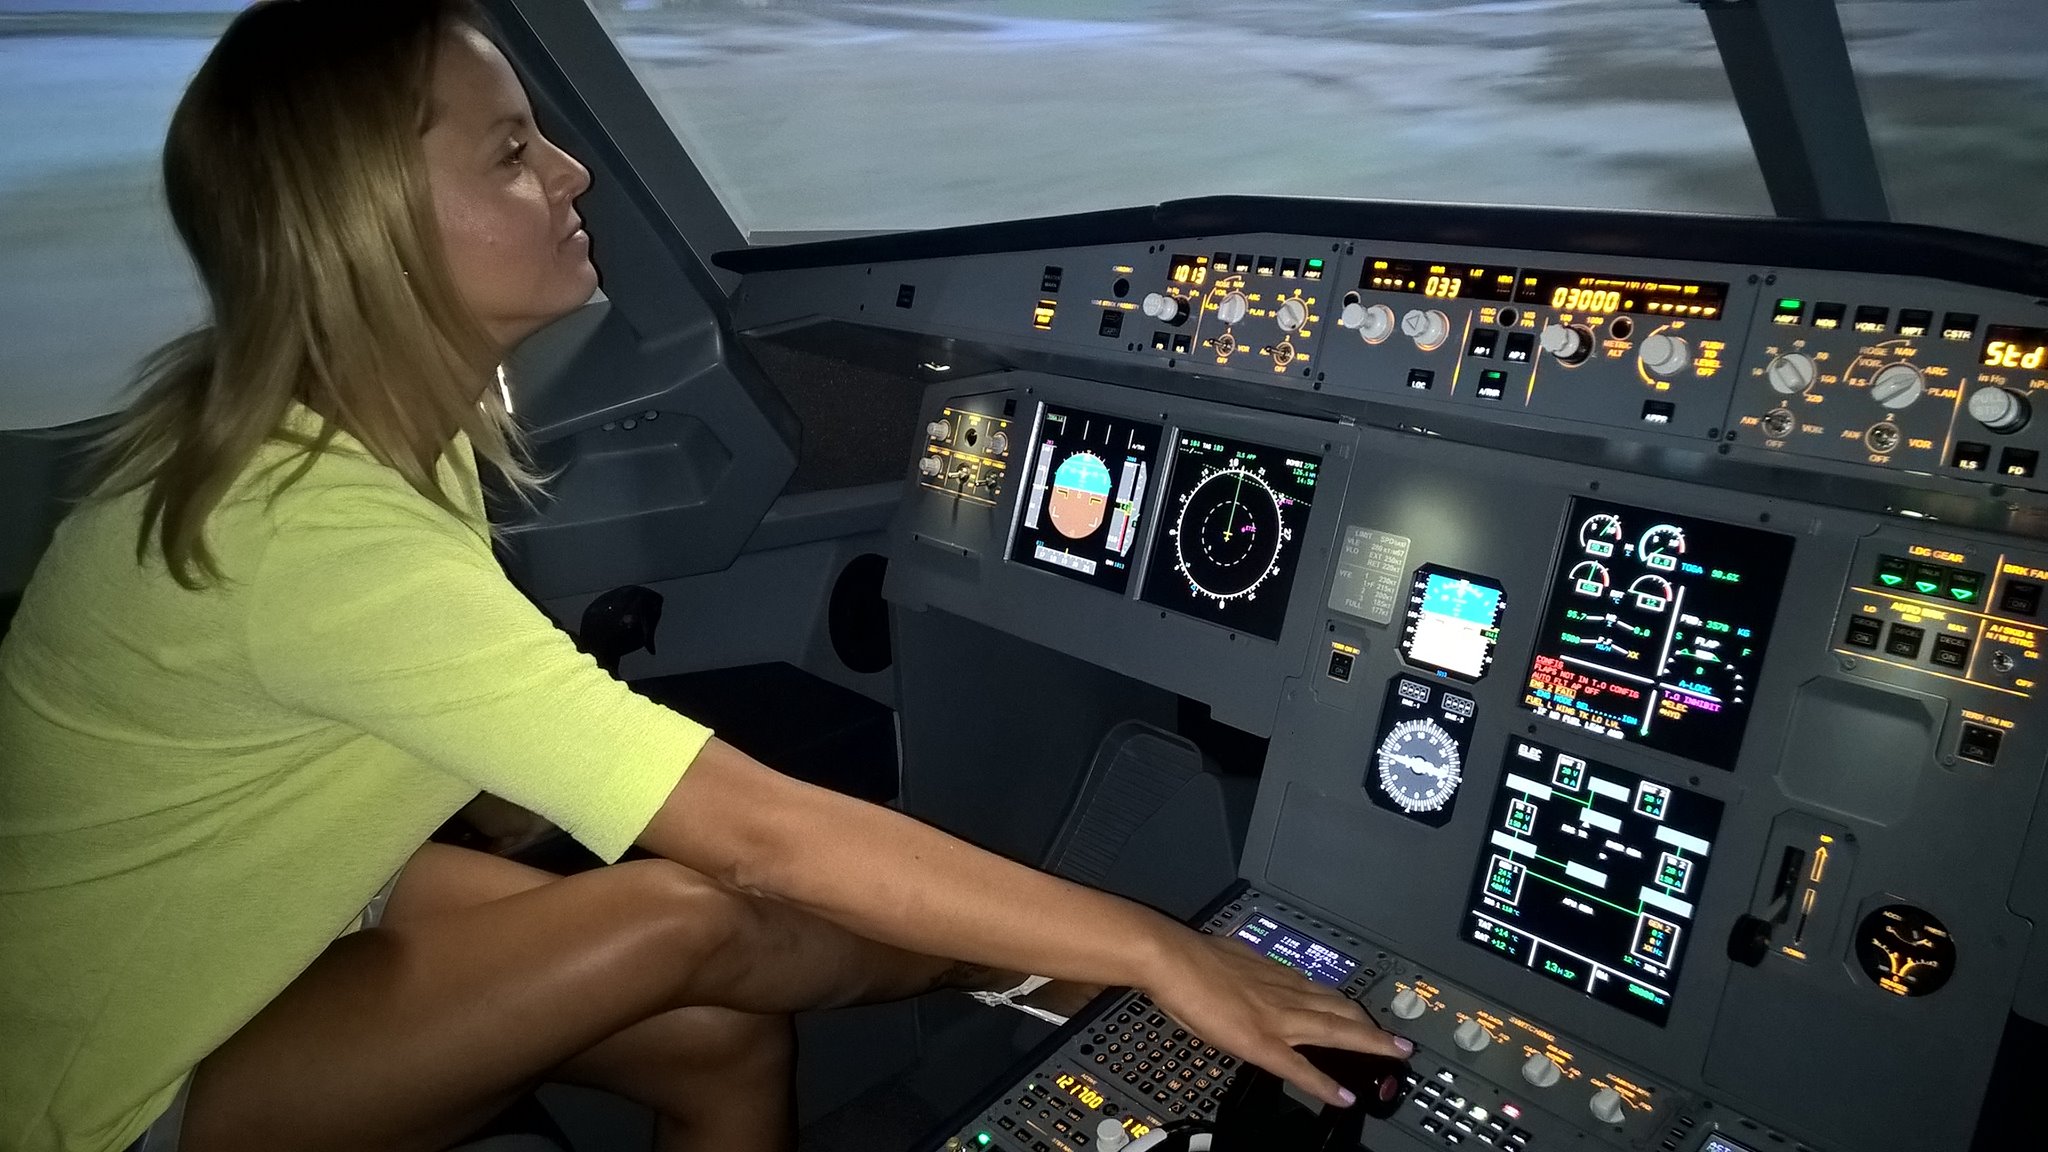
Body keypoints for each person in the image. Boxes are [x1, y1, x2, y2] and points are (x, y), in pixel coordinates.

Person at [0, 3, 1410, 1151]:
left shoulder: (357, 437)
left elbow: (413, 751)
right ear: (368, 225)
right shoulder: (310, 529)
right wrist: (1162, 952)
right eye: (511, 153)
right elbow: (759, 842)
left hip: (267, 916)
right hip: (105, 1080)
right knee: (682, 908)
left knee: (725, 1035)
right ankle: (1038, 972)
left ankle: (1029, 970)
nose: (572, 173)